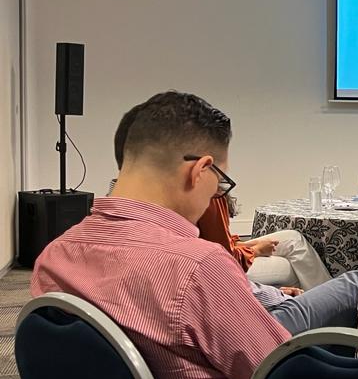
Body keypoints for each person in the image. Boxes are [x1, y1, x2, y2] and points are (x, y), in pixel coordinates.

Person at [31, 91, 358, 379]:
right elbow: (279, 372)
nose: (217, 196)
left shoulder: (55, 256)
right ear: (201, 170)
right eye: (221, 184)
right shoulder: (196, 265)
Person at [113, 100, 334, 291]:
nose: (218, 190)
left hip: (229, 257)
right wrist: (256, 256)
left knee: (293, 240)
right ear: (199, 171)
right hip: (233, 269)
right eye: (220, 178)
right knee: (338, 282)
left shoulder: (99, 239)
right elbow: (221, 254)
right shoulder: (196, 261)